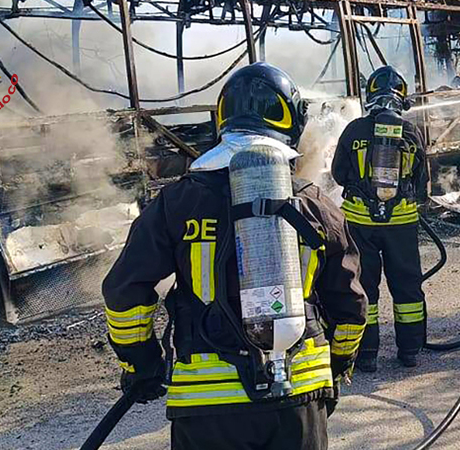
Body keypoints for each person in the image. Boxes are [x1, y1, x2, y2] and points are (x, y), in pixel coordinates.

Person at [102, 62, 367, 450]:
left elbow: (125, 292)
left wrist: (142, 363)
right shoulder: (314, 205)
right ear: (291, 121)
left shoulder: (177, 202)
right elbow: (350, 303)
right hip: (298, 395)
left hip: (207, 406)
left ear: (222, 120)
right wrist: (339, 362)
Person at [331, 65, 429, 371]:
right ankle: (410, 350)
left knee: (363, 286)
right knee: (407, 286)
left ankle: (367, 354)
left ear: (369, 96)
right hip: (401, 223)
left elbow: (338, 173)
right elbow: (423, 180)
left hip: (361, 223)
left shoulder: (354, 130)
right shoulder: (411, 132)